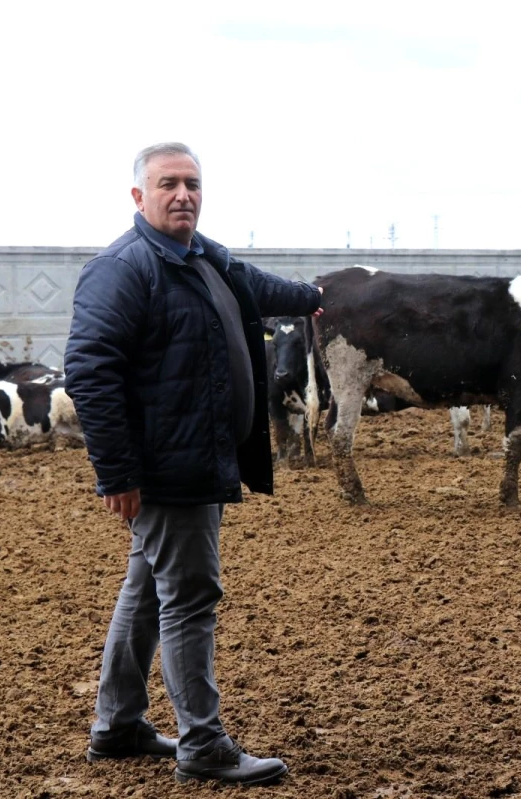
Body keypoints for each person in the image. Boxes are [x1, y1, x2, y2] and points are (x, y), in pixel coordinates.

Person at [65, 142, 323, 786]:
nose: (184, 195)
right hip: (167, 466)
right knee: (189, 596)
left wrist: (319, 294)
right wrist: (117, 472)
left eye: (193, 183)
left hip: (200, 456)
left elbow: (259, 288)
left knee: (149, 591)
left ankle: (118, 725)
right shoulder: (124, 269)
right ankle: (203, 744)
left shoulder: (203, 256)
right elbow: (91, 373)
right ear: (138, 197)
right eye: (168, 184)